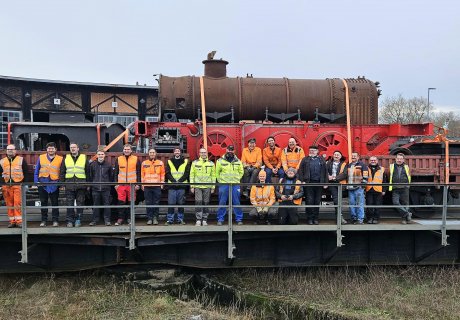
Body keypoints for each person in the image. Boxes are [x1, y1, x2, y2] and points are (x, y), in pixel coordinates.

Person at [60, 143, 90, 228]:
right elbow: (62, 171)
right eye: (71, 147)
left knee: (80, 203)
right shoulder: (66, 158)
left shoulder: (84, 157)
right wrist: (62, 184)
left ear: (78, 148)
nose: (72, 149)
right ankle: (69, 221)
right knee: (69, 204)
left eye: (74, 147)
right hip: (69, 185)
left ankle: (78, 220)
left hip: (81, 185)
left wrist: (88, 184)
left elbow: (88, 171)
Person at [34, 142, 63, 227]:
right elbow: (36, 171)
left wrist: (60, 183)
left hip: (54, 184)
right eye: (49, 148)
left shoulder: (60, 158)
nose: (50, 150)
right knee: (43, 202)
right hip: (43, 183)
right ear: (46, 149)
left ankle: (55, 220)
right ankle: (44, 220)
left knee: (55, 203)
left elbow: (62, 172)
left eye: (52, 148)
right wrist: (37, 182)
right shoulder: (41, 157)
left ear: (55, 149)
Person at [297, 145, 328, 225]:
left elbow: (325, 172)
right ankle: (310, 218)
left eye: (314, 150)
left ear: (317, 151)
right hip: (308, 183)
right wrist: (302, 181)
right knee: (309, 201)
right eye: (310, 150)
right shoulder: (305, 160)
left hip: (319, 183)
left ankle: (316, 218)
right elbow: (300, 171)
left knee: (317, 201)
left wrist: (325, 183)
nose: (312, 151)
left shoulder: (321, 160)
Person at [0, 144, 28, 228]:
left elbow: (26, 173)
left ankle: (19, 221)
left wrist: (25, 185)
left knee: (17, 204)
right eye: (8, 149)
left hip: (18, 185)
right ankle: (12, 221)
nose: (10, 151)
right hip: (6, 186)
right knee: (9, 205)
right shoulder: (2, 161)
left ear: (15, 150)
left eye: (12, 149)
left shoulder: (21, 160)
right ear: (6, 150)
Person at [216, 145, 244, 225]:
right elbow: (217, 173)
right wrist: (220, 181)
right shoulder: (220, 161)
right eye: (229, 149)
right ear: (226, 150)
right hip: (224, 184)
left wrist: (237, 178)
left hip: (235, 184)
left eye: (232, 150)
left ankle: (239, 219)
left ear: (234, 151)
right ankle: (220, 219)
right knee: (222, 202)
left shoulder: (238, 161)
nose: (230, 151)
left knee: (237, 202)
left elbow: (241, 172)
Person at [113, 144, 141, 226]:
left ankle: (130, 219)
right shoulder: (118, 159)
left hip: (132, 185)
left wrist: (138, 184)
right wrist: (115, 184)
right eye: (125, 149)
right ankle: (120, 218)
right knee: (120, 203)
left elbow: (138, 172)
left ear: (131, 150)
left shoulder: (136, 159)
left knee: (131, 203)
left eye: (128, 149)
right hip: (121, 185)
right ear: (123, 150)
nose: (126, 151)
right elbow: (115, 173)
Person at [337, 152, 368, 224]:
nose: (353, 157)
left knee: (359, 204)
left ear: (358, 157)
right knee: (351, 204)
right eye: (352, 156)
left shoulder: (362, 165)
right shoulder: (349, 165)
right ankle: (353, 218)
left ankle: (360, 219)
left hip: (358, 188)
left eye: (355, 156)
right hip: (350, 188)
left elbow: (365, 176)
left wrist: (362, 186)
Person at [190, 148, 215, 226]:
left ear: (207, 153)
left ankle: (204, 219)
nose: (203, 154)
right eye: (202, 152)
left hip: (207, 186)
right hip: (197, 186)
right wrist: (192, 186)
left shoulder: (211, 163)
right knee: (198, 202)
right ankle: (198, 219)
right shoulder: (195, 163)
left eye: (204, 152)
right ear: (199, 153)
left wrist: (213, 187)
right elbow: (192, 175)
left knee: (206, 203)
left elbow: (213, 176)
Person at [165, 147, 190, 225]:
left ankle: (180, 219)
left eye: (178, 151)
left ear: (180, 152)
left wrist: (179, 181)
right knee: (171, 204)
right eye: (175, 151)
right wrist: (173, 181)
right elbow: (167, 173)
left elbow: (187, 173)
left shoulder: (185, 161)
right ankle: (170, 220)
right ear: (174, 152)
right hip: (172, 186)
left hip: (181, 186)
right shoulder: (169, 161)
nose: (177, 152)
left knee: (181, 204)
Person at [88, 149, 113, 226]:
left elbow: (111, 176)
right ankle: (95, 220)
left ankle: (107, 220)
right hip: (95, 189)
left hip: (106, 189)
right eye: (99, 154)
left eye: (102, 154)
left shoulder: (108, 165)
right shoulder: (93, 165)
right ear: (97, 155)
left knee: (107, 205)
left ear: (104, 155)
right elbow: (90, 176)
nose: (101, 156)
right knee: (95, 205)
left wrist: (108, 186)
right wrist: (91, 186)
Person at [141, 148, 165, 225]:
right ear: (148, 154)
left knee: (156, 202)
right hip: (147, 186)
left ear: (155, 153)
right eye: (150, 152)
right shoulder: (144, 163)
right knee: (148, 203)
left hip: (157, 186)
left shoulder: (160, 163)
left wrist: (161, 184)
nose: (152, 154)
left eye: (153, 152)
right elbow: (142, 175)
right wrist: (143, 185)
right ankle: (149, 218)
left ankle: (155, 218)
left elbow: (162, 174)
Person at [389, 153, 412, 224]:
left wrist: (408, 185)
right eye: (398, 158)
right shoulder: (391, 166)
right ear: (395, 159)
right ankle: (407, 214)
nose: (399, 160)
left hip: (404, 187)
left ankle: (405, 219)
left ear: (403, 160)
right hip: (395, 188)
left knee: (405, 204)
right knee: (395, 203)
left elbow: (409, 176)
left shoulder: (406, 166)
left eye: (401, 159)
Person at [326, 150, 348, 224]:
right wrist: (328, 177)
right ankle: (339, 218)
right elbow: (324, 172)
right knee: (336, 200)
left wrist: (335, 178)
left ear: (340, 156)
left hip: (340, 184)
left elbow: (345, 174)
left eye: (338, 155)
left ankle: (339, 217)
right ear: (333, 156)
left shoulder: (344, 164)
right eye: (335, 154)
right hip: (332, 184)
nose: (336, 156)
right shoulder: (328, 163)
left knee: (339, 201)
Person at [366, 156, 388, 224]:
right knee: (369, 205)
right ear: (369, 161)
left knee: (377, 205)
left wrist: (384, 190)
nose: (373, 161)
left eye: (374, 160)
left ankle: (376, 218)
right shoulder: (366, 169)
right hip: (369, 189)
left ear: (377, 161)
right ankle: (370, 218)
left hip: (378, 190)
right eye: (371, 160)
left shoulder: (382, 169)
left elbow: (385, 181)